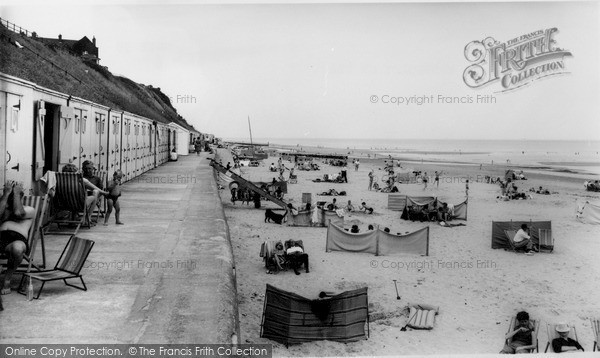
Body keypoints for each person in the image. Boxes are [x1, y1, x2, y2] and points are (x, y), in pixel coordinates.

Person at [0, 181, 35, 295]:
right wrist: (5, 195)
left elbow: (18, 213)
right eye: (10, 195)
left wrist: (15, 193)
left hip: (16, 240)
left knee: (18, 248)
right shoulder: (3, 209)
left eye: (14, 195)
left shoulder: (29, 209)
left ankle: (7, 279)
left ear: (21, 196)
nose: (11, 197)